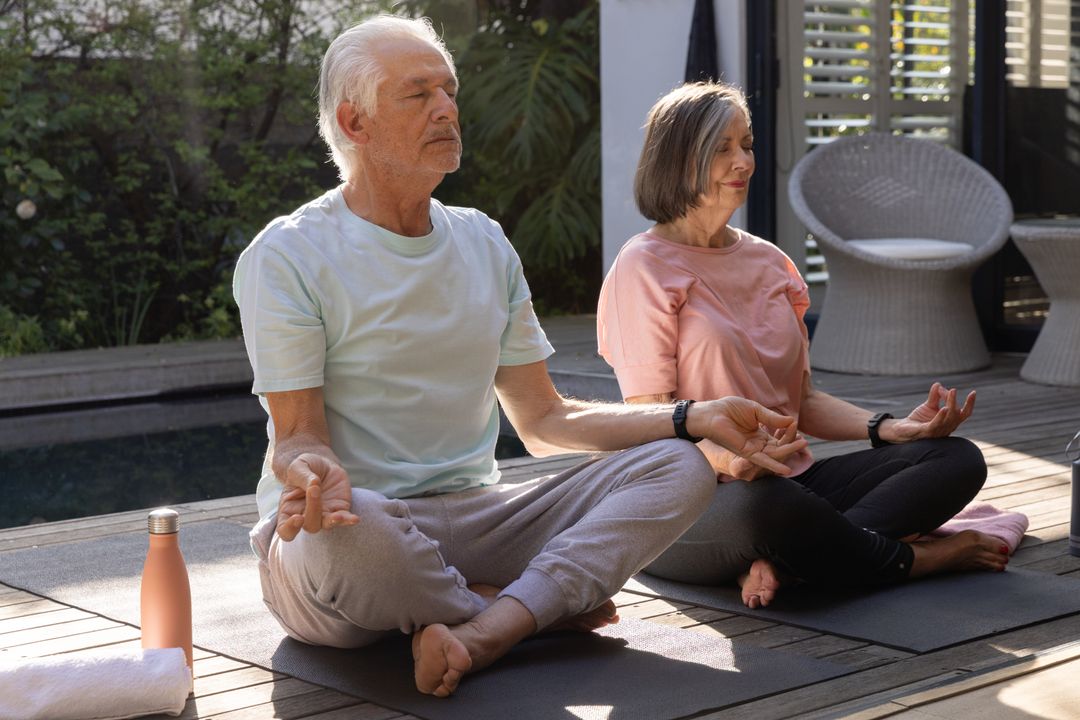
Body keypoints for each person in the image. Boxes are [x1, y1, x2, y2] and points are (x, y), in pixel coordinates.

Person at [232, 18, 803, 699]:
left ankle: (483, 619)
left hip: (477, 516)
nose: (447, 108)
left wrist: (694, 416)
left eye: (450, 91)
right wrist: (310, 472)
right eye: (418, 96)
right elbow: (297, 435)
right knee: (356, 532)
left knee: (678, 464)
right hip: (354, 529)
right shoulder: (289, 254)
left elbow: (544, 421)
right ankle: (522, 611)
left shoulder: (484, 242)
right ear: (355, 123)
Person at [597, 81, 1009, 610]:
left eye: (745, 144)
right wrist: (726, 460)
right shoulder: (643, 266)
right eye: (721, 148)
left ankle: (793, 563)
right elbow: (650, 424)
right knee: (772, 507)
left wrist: (890, 429)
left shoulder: (771, 262)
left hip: (794, 484)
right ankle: (918, 560)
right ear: (678, 158)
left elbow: (804, 402)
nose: (742, 160)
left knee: (956, 460)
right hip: (696, 501)